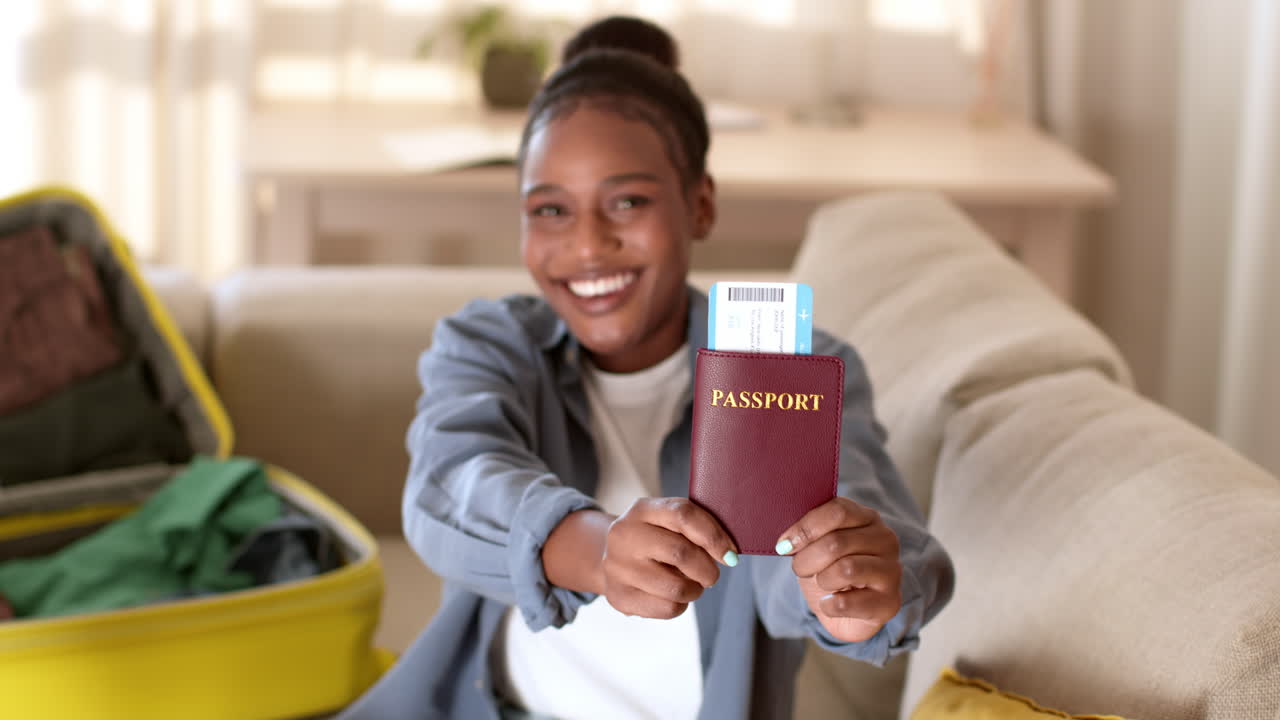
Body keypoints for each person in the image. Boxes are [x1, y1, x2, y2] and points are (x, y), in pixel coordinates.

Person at [340, 16, 953, 720]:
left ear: (700, 204)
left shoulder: (790, 366)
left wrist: (849, 596)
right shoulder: (491, 343)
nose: (590, 245)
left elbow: (854, 528)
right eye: (550, 210)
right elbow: (449, 483)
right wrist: (596, 551)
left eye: (627, 201)